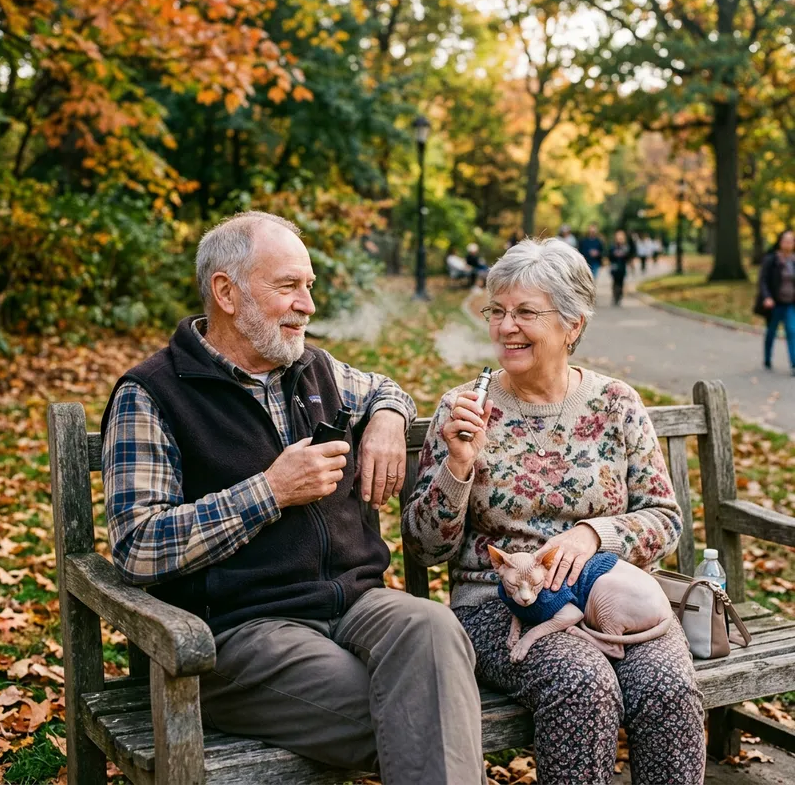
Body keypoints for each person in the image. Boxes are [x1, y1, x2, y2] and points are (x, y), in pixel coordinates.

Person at [101, 211, 486, 785]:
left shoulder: (314, 367)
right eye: (288, 287)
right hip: (240, 633)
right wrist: (270, 491)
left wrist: (385, 416)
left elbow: (386, 388)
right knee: (425, 711)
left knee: (431, 630)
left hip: (356, 604)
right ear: (226, 293)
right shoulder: (151, 395)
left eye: (309, 286)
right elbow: (138, 546)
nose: (308, 304)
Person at [402, 238, 705, 785]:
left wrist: (592, 535)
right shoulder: (463, 408)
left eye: (525, 312)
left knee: (668, 687)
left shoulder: (616, 404)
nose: (505, 327)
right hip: (502, 606)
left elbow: (665, 517)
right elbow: (425, 548)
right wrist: (458, 466)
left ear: (572, 324)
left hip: (615, 597)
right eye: (497, 311)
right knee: (581, 684)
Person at [757, 228, 795, 375]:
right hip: (775, 303)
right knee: (771, 332)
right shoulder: (771, 260)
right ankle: (767, 359)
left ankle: (793, 363)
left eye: (791, 240)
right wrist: (767, 297)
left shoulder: (793, 260)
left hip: (790, 303)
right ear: (780, 242)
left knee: (792, 331)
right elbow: (763, 280)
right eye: (785, 240)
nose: (788, 243)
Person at [607, 229, 633, 307]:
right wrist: (614, 255)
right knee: (615, 282)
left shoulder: (625, 247)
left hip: (622, 267)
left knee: (621, 282)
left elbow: (628, 256)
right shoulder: (612, 246)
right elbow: (609, 255)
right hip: (614, 267)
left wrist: (623, 255)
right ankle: (615, 296)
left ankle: (619, 296)